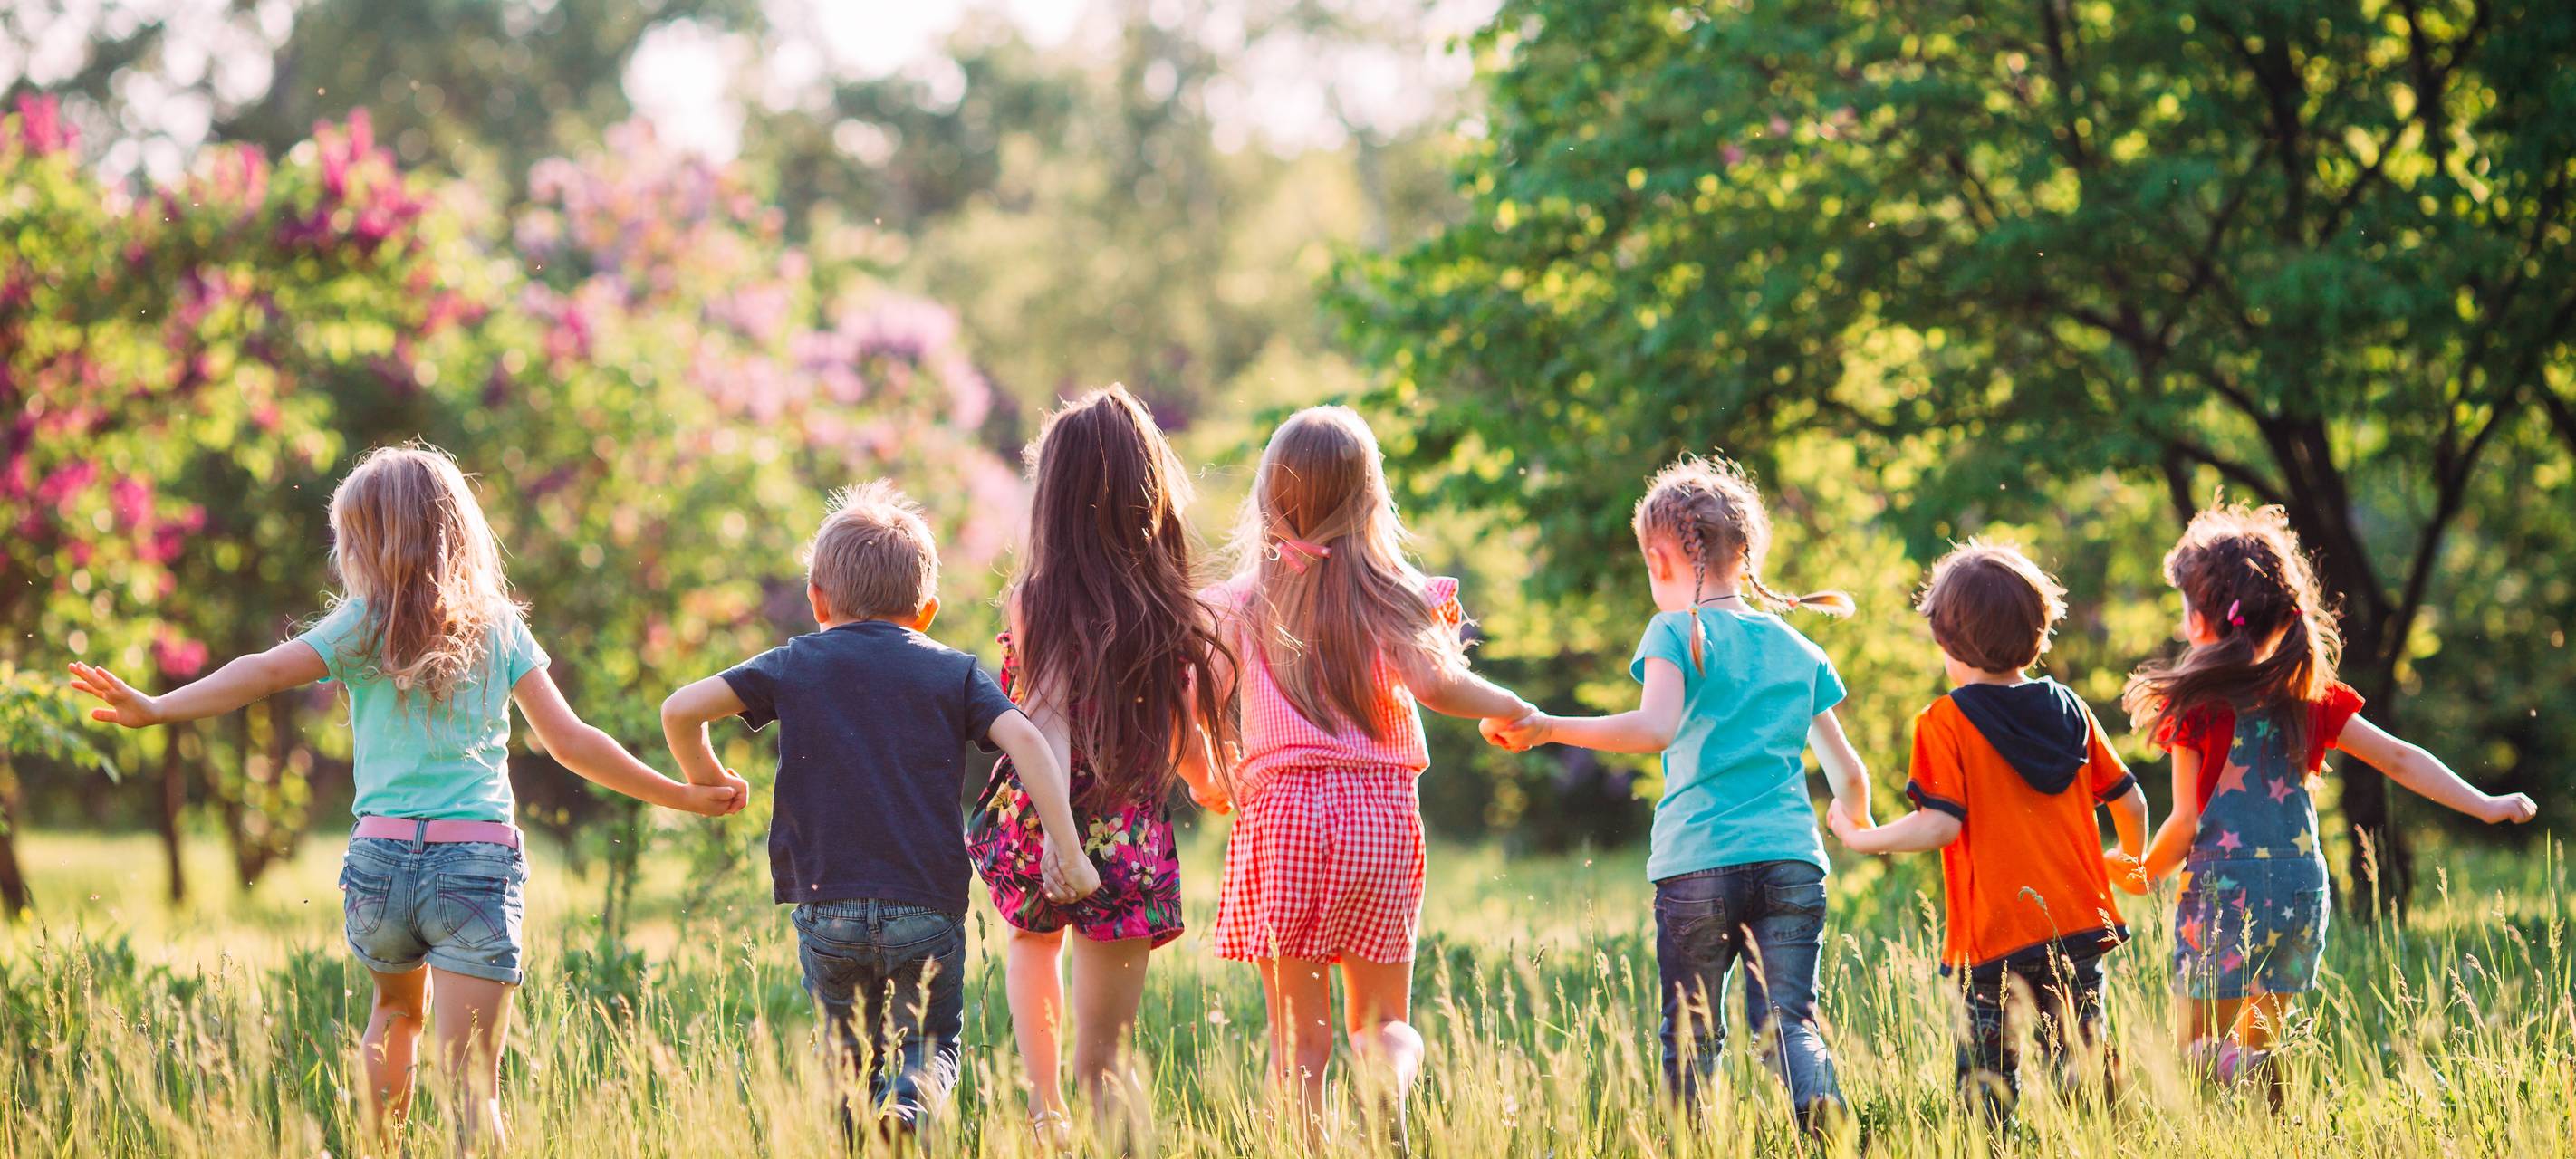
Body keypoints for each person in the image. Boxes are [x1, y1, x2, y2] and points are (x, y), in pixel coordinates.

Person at [69, 444, 745, 1155]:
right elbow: (571, 741)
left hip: (380, 863)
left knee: (393, 1016)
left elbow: (263, 671)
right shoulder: (496, 627)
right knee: (472, 1085)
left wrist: (159, 706)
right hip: (474, 864)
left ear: (365, 543)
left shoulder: (361, 625)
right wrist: (681, 794)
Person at [659, 480, 1093, 1145]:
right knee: (931, 1046)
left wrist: (706, 778)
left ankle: (857, 1133)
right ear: (927, 611)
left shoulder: (793, 663)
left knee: (844, 1055)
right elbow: (1029, 740)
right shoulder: (953, 671)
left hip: (825, 902)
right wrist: (1066, 847)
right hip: (926, 903)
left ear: (817, 599)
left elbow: (679, 708)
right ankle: (907, 1110)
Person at [1488, 453, 1868, 1132]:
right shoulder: (1799, 650)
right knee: (1789, 1023)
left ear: (1661, 559)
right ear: (1745, 552)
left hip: (1698, 865)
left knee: (1693, 1032)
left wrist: (1547, 726)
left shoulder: (1672, 630)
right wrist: (1855, 821)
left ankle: (1686, 1142)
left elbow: (1656, 728)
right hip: (1790, 862)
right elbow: (1849, 773)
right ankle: (1824, 1116)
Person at [2124, 503, 2537, 1099]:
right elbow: (2400, 758)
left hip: (2224, 893)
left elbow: (2186, 823)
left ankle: (2232, 1081)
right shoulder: (2309, 695)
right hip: (2297, 890)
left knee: (2196, 1055)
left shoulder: (2197, 706)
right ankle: (2269, 1108)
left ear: (2200, 621)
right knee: (2265, 1046)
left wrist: (2143, 874)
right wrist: (2485, 803)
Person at [1204, 406, 1536, 1145]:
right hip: (1378, 816)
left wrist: (1209, 767)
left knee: (1298, 1049)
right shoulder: (1395, 594)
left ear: (1268, 494)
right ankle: (1388, 1080)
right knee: (1384, 1021)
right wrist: (1516, 707)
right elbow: (1441, 687)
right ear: (1369, 496)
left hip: (1284, 817)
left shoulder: (1239, 602)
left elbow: (1186, 690)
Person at [963, 388, 1235, 1145]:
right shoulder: (1171, 605)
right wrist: (1213, 784)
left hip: (1043, 822)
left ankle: (1044, 1106)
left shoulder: (1037, 597)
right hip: (1126, 834)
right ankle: (1093, 1115)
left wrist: (1059, 839)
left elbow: (1042, 719)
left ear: (1054, 497)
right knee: (1107, 1061)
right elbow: (1184, 732)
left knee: (1032, 941)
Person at [1827, 541, 2150, 1122]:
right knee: (2084, 1066)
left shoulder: (1944, 721)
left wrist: (1862, 838)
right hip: (2077, 924)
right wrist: (2128, 858)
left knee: (1986, 1084)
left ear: (1947, 639)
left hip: (1992, 939)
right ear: (2038, 629)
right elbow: (2131, 800)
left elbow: (1940, 824)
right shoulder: (2070, 708)